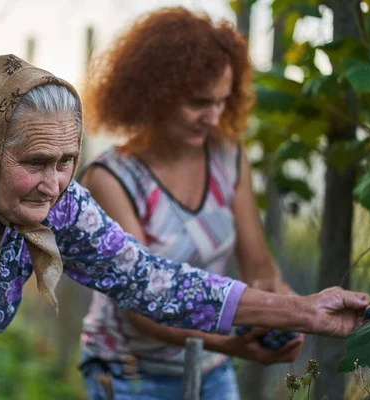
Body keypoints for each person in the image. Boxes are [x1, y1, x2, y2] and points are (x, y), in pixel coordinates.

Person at [0, 54, 369, 400]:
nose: (52, 184)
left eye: (66, 161)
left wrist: (304, 310)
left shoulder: (59, 202)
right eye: (35, 161)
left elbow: (148, 278)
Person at [78, 8, 318, 400]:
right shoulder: (111, 178)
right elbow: (141, 304)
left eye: (223, 101)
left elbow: (257, 263)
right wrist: (230, 341)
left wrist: (277, 302)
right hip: (129, 370)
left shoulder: (227, 155)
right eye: (199, 102)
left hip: (211, 366)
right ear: (156, 95)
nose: (214, 116)